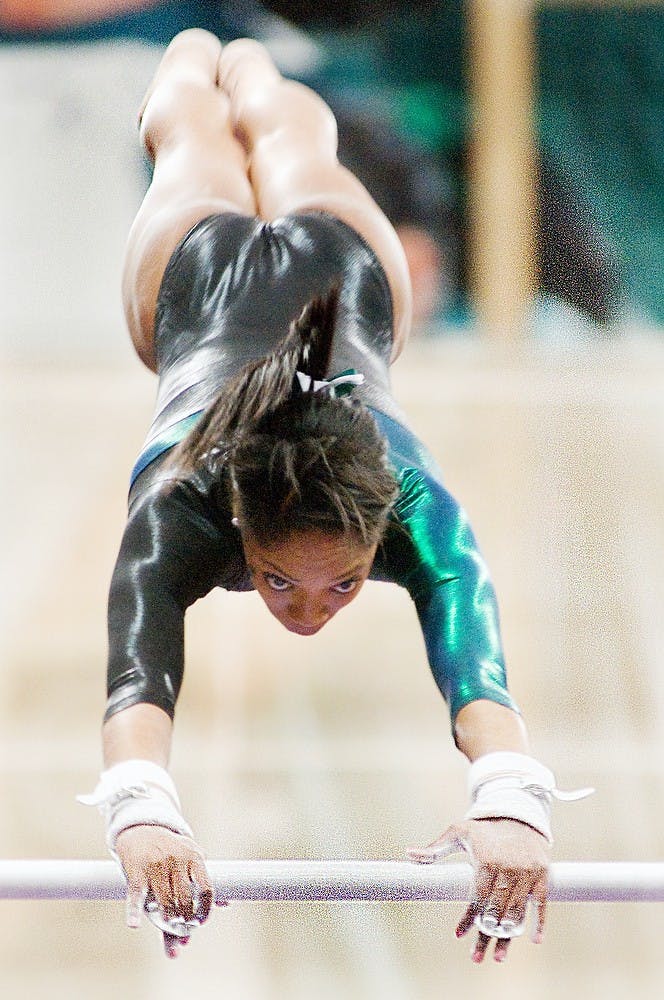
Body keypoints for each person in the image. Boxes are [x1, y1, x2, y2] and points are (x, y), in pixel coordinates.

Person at [80, 28, 584, 964]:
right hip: (237, 265)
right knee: (195, 123)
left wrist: (512, 801)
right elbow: (136, 677)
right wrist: (141, 814)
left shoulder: (418, 507)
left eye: (341, 586)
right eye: (277, 581)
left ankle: (242, 64)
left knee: (276, 128)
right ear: (237, 525)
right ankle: (203, 46)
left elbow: (478, 671)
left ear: (380, 532)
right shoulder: (184, 505)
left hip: (251, 265)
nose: (308, 610)